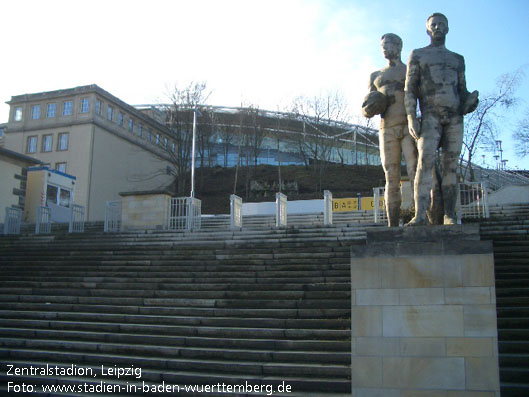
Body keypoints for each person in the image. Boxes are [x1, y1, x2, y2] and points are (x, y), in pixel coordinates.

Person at [404, 13, 478, 225]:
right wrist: (411, 117)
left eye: (441, 24)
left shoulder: (457, 59)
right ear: (428, 30)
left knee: (451, 167)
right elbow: (409, 89)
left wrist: (470, 101)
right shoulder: (418, 55)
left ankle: (449, 215)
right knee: (424, 164)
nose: (437, 27)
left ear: (447, 29)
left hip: (454, 116)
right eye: (433, 25)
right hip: (430, 115)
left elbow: (461, 89)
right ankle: (419, 215)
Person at [362, 33, 417, 227]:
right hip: (387, 128)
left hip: (408, 125)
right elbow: (366, 106)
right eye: (382, 46)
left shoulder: (410, 70)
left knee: (414, 172)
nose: (384, 49)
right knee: (391, 176)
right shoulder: (376, 75)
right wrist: (369, 109)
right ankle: (392, 225)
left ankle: (421, 218)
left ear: (399, 46)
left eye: (388, 45)